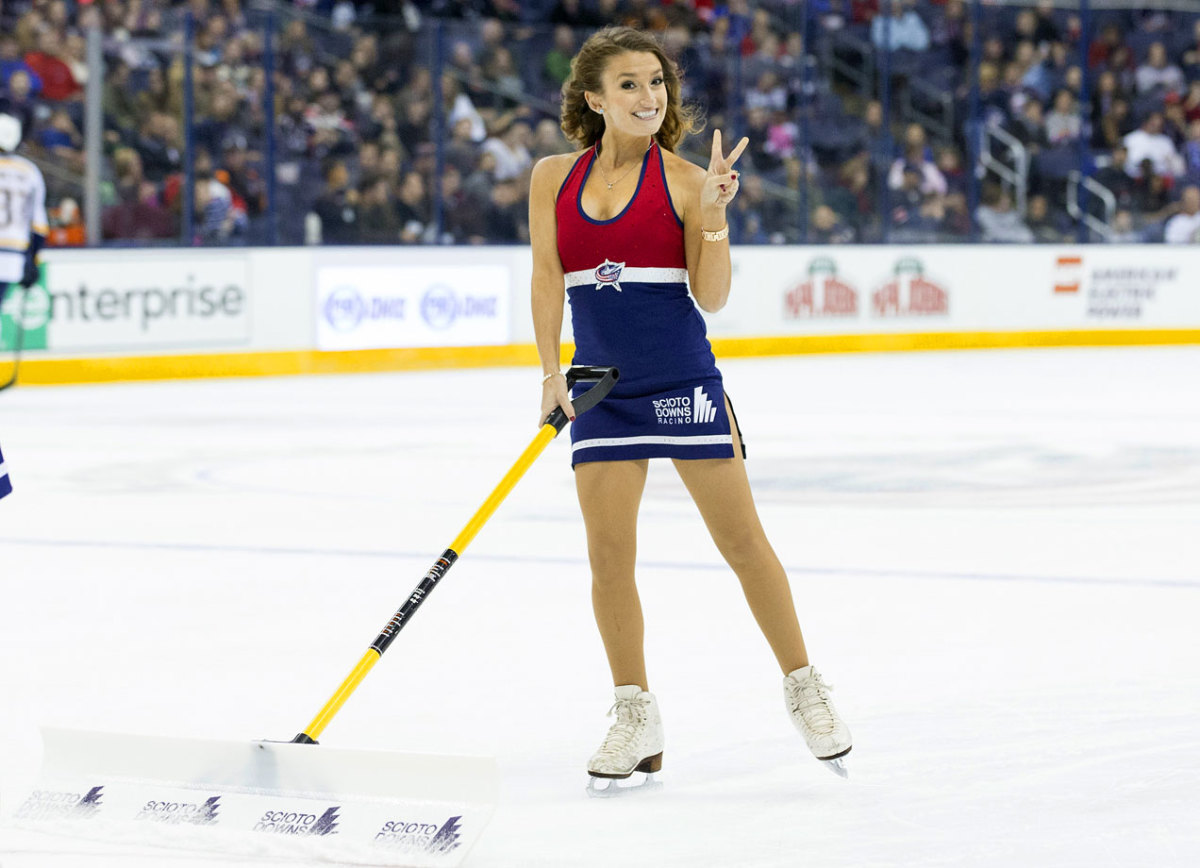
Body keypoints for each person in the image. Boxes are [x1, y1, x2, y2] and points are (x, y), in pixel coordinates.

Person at [528, 26, 852, 789]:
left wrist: (713, 213)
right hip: (600, 387)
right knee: (609, 559)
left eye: (657, 83)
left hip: (681, 382)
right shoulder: (551, 178)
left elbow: (710, 297)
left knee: (744, 545)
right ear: (594, 98)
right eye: (631, 84)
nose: (650, 97)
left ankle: (805, 688)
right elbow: (547, 277)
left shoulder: (680, 181)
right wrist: (550, 371)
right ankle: (635, 715)